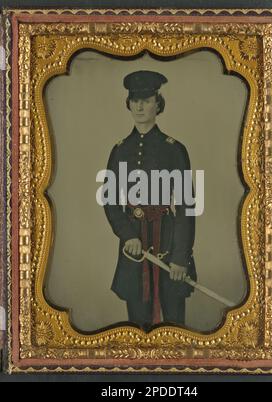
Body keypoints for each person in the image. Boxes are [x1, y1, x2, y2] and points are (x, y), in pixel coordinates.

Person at [104, 70, 196, 330]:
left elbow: (187, 205)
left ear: (158, 103)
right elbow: (110, 200)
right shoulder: (120, 150)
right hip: (134, 248)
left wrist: (180, 257)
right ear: (129, 104)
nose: (140, 106)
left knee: (175, 326)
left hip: (168, 242)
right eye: (135, 100)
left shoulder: (173, 149)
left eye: (146, 99)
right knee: (138, 324)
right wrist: (127, 235)